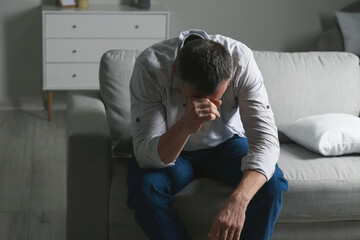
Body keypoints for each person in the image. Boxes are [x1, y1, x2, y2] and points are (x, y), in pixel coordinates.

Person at [127, 29, 288, 240]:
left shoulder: (241, 61)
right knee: (145, 189)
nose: (208, 105)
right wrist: (185, 125)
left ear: (228, 79)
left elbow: (266, 141)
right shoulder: (150, 66)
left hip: (226, 145)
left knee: (272, 183)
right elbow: (144, 153)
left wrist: (239, 201)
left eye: (216, 98)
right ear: (175, 70)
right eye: (195, 96)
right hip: (176, 149)